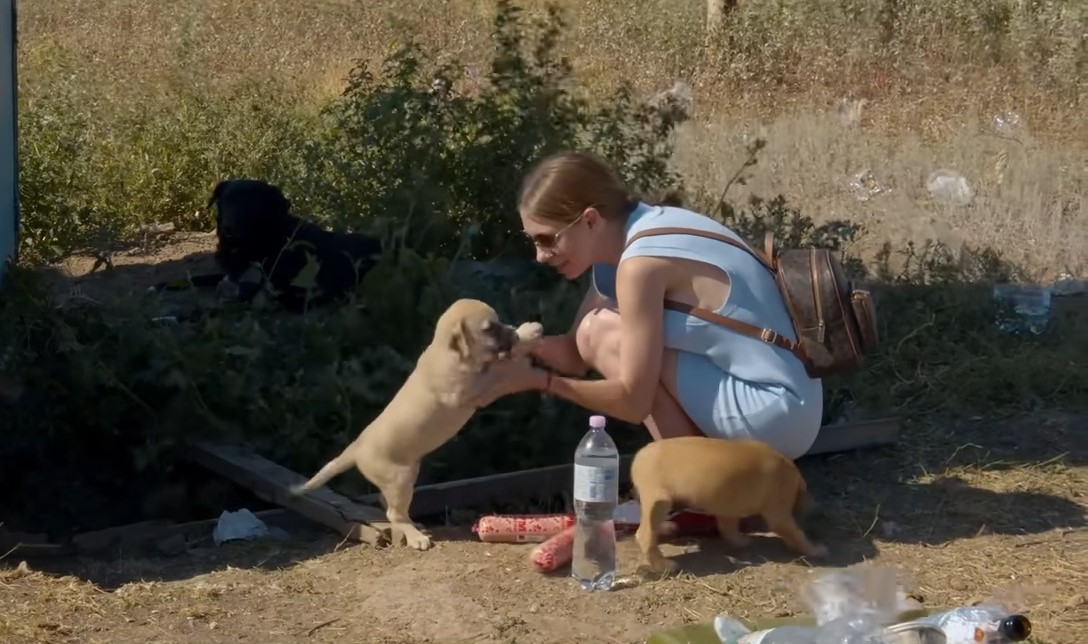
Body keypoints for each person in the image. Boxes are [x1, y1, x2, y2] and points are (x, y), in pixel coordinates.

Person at [473, 150, 824, 460]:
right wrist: (507, 346)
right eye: (532, 241)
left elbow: (633, 400)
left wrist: (541, 382)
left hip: (777, 412)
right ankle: (716, 482)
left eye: (547, 239)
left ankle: (704, 491)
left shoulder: (641, 264)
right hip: (789, 403)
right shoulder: (630, 235)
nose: (540, 256)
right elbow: (573, 355)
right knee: (594, 332)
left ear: (591, 219)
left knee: (600, 332)